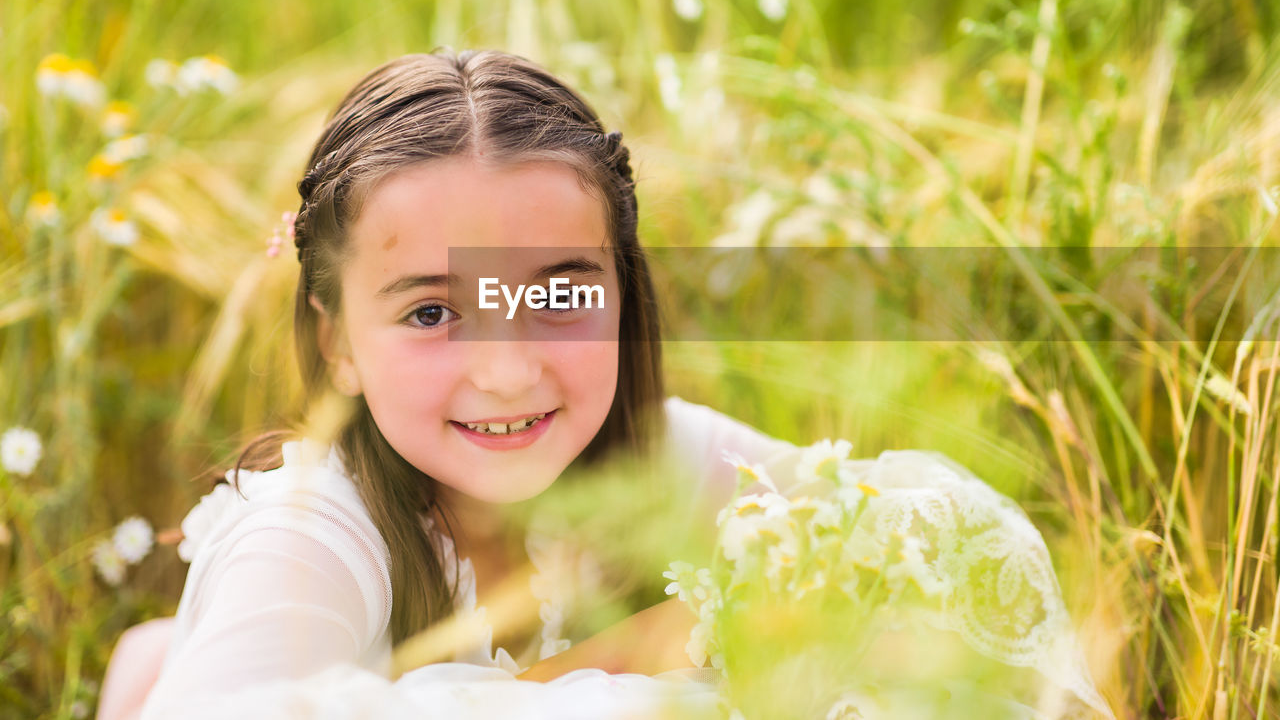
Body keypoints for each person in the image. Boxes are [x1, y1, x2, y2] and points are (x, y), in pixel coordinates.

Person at [99, 49, 1112, 720]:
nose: (504, 366)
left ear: (624, 295)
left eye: (555, 294)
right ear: (336, 342)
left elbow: (940, 536)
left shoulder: (655, 451)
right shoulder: (315, 524)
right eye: (429, 312)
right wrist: (639, 661)